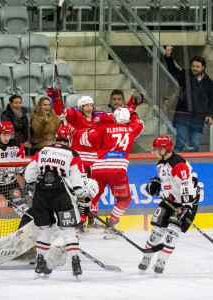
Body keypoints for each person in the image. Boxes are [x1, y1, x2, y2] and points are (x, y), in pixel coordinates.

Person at [23, 125, 96, 279]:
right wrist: (81, 196)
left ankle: (40, 263)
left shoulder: (43, 150)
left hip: (41, 195)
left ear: (56, 137)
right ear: (69, 139)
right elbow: (77, 184)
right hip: (61, 196)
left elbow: (29, 175)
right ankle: (76, 264)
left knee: (46, 230)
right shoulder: (73, 154)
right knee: (68, 231)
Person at [138, 135, 200, 275]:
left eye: (157, 149)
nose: (154, 152)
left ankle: (161, 260)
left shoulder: (178, 164)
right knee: (157, 231)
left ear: (165, 150)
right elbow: (169, 182)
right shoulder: (160, 163)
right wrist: (156, 182)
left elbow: (186, 185)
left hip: (187, 202)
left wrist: (187, 207)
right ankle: (147, 257)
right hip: (170, 200)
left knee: (172, 232)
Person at [82, 107, 145, 239]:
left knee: (93, 195)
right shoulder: (131, 128)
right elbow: (140, 124)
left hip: (98, 168)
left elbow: (89, 139)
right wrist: (132, 111)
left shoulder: (104, 128)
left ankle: (86, 223)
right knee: (125, 198)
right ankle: (111, 226)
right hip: (117, 170)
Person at [164, 45, 213, 152]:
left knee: (194, 145)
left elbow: (211, 100)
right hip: (183, 116)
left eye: (197, 66)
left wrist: (210, 115)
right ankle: (175, 165)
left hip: (198, 118)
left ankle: (192, 167)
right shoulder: (184, 75)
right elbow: (172, 70)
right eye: (193, 66)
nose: (194, 68)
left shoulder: (209, 83)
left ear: (203, 67)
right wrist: (168, 55)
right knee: (180, 143)